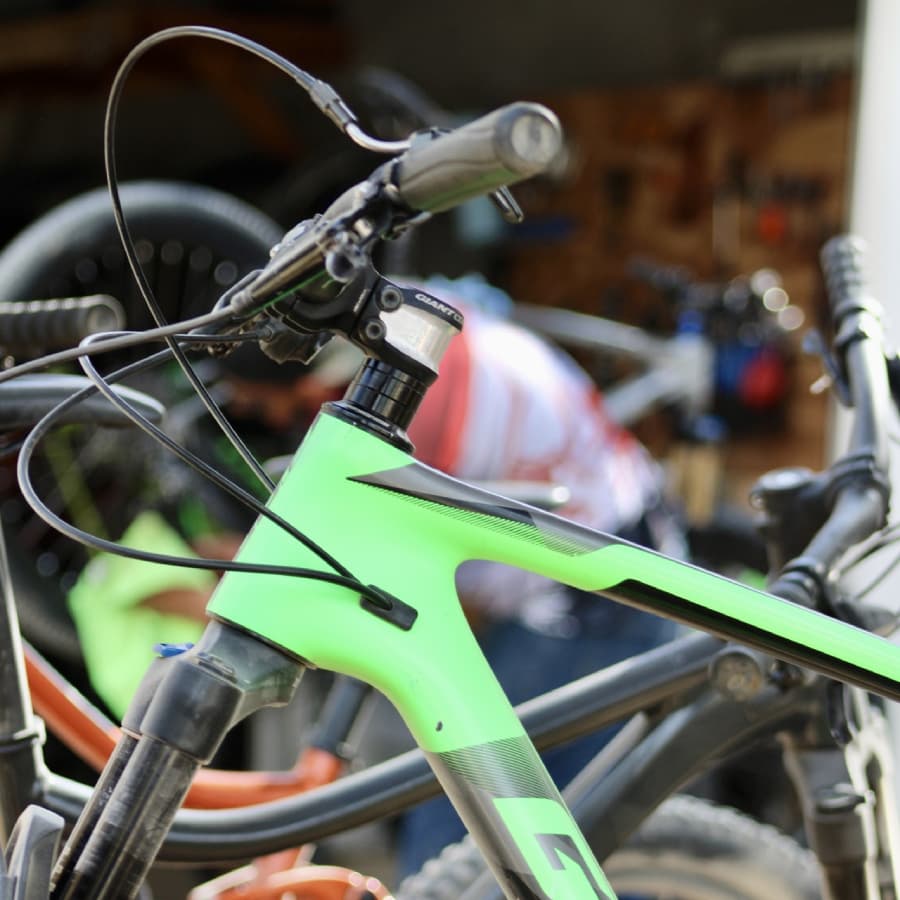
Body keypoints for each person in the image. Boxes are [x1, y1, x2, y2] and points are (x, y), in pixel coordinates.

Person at [67, 278, 681, 869]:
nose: (249, 409)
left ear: (302, 376)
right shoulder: (393, 328)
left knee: (467, 836)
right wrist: (242, 557)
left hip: (592, 601)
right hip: (608, 524)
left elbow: (430, 605)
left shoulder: (419, 428)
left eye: (253, 396)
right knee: (553, 825)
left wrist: (204, 592)